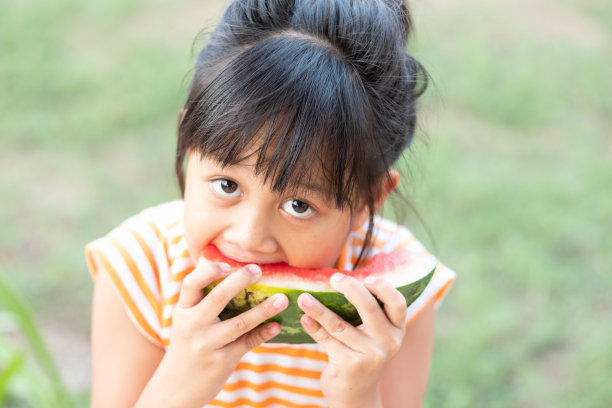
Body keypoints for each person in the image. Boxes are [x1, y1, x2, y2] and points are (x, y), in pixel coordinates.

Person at [86, 0, 456, 407]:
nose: (249, 238)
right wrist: (184, 379)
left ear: (368, 202)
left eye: (299, 205)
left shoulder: (392, 301)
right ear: (190, 142)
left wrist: (359, 395)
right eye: (227, 185)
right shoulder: (141, 268)